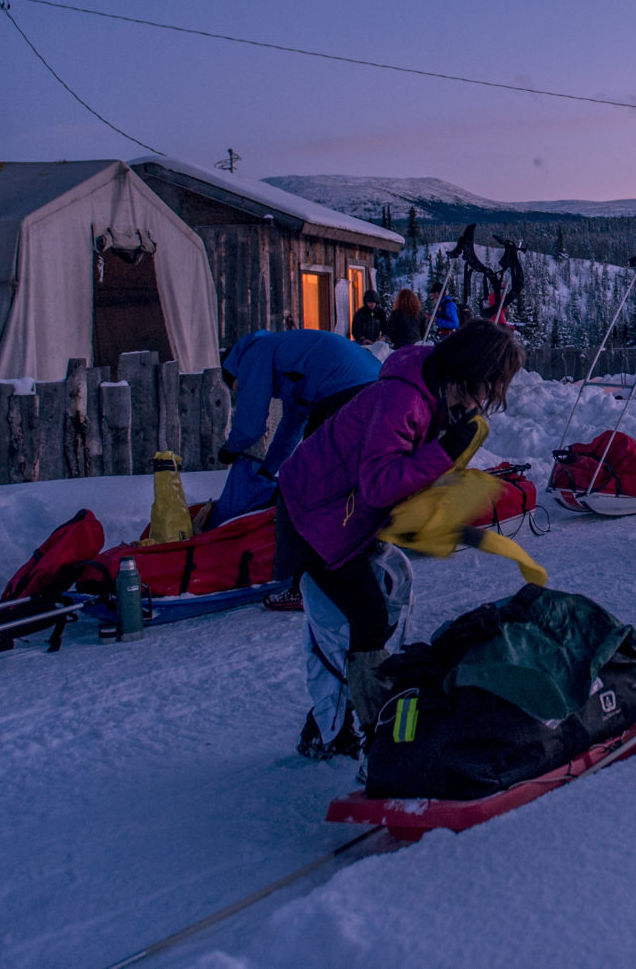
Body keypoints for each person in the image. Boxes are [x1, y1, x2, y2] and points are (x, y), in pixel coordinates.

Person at [275, 319, 526, 753]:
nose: (489, 396)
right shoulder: (404, 399)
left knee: (393, 587)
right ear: (470, 371)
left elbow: (408, 480)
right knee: (359, 620)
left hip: (347, 515)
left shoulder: (439, 397)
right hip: (312, 515)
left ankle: (338, 715)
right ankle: (345, 732)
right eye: (491, 383)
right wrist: (444, 451)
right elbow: (380, 483)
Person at [212, 329, 382, 525]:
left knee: (318, 472)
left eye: (239, 387)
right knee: (344, 465)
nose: (243, 391)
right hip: (374, 381)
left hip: (343, 387)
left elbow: (250, 424)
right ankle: (364, 522)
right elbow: (290, 429)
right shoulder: (290, 362)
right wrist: (267, 471)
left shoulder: (253, 355)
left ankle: (330, 532)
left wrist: (230, 449)